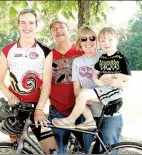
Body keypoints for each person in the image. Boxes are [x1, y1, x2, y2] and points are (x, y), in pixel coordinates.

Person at [52, 26, 131, 152]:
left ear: (97, 41)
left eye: (92, 38)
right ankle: (82, 120)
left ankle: (69, 120)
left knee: (109, 150)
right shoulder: (77, 62)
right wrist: (84, 95)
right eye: (84, 39)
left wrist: (116, 81)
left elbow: (126, 82)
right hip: (89, 113)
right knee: (85, 150)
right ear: (79, 42)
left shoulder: (106, 54)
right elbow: (76, 90)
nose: (88, 41)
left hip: (109, 113)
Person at [0, 9, 57, 154]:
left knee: (52, 151)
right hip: (15, 109)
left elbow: (47, 84)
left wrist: (40, 109)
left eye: (31, 23)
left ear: (36, 26)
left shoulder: (46, 51)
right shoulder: (6, 50)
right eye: (23, 22)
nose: (27, 26)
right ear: (18, 25)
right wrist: (10, 96)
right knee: (17, 151)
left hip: (37, 107)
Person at [46, 18, 85, 154]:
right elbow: (44, 84)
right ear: (51, 33)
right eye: (54, 29)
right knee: (58, 151)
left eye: (61, 27)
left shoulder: (81, 50)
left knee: (86, 149)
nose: (58, 31)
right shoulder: (48, 56)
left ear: (68, 30)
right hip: (58, 110)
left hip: (82, 109)